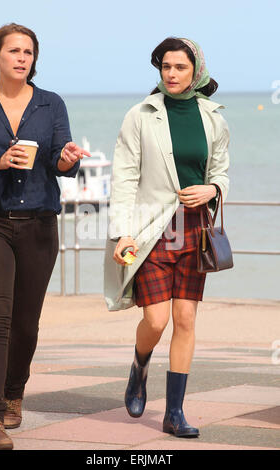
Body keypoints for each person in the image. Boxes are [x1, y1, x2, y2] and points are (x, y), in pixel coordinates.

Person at [104, 37, 230, 438]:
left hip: (195, 229)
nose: (172, 74)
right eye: (165, 67)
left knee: (186, 319)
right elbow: (124, 177)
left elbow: (221, 171)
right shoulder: (140, 115)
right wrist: (122, 233)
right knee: (156, 320)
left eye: (180, 67)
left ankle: (174, 413)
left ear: (197, 71)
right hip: (151, 230)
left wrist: (212, 189)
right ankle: (140, 366)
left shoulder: (213, 117)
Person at [0, 23, 90, 450]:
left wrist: (66, 158)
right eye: (14, 51)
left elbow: (65, 158)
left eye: (28, 52)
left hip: (41, 224)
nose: (22, 58)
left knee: (26, 324)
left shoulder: (50, 104)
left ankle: (13, 392)